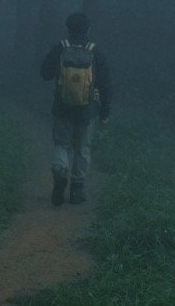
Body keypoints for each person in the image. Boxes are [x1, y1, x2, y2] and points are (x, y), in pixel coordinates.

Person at [40, 12, 112, 206]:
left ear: (68, 28)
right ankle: (77, 190)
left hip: (62, 108)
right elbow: (106, 85)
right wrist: (105, 112)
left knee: (61, 145)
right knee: (82, 148)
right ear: (88, 29)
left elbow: (44, 73)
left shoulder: (61, 48)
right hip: (87, 110)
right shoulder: (95, 51)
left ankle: (60, 172)